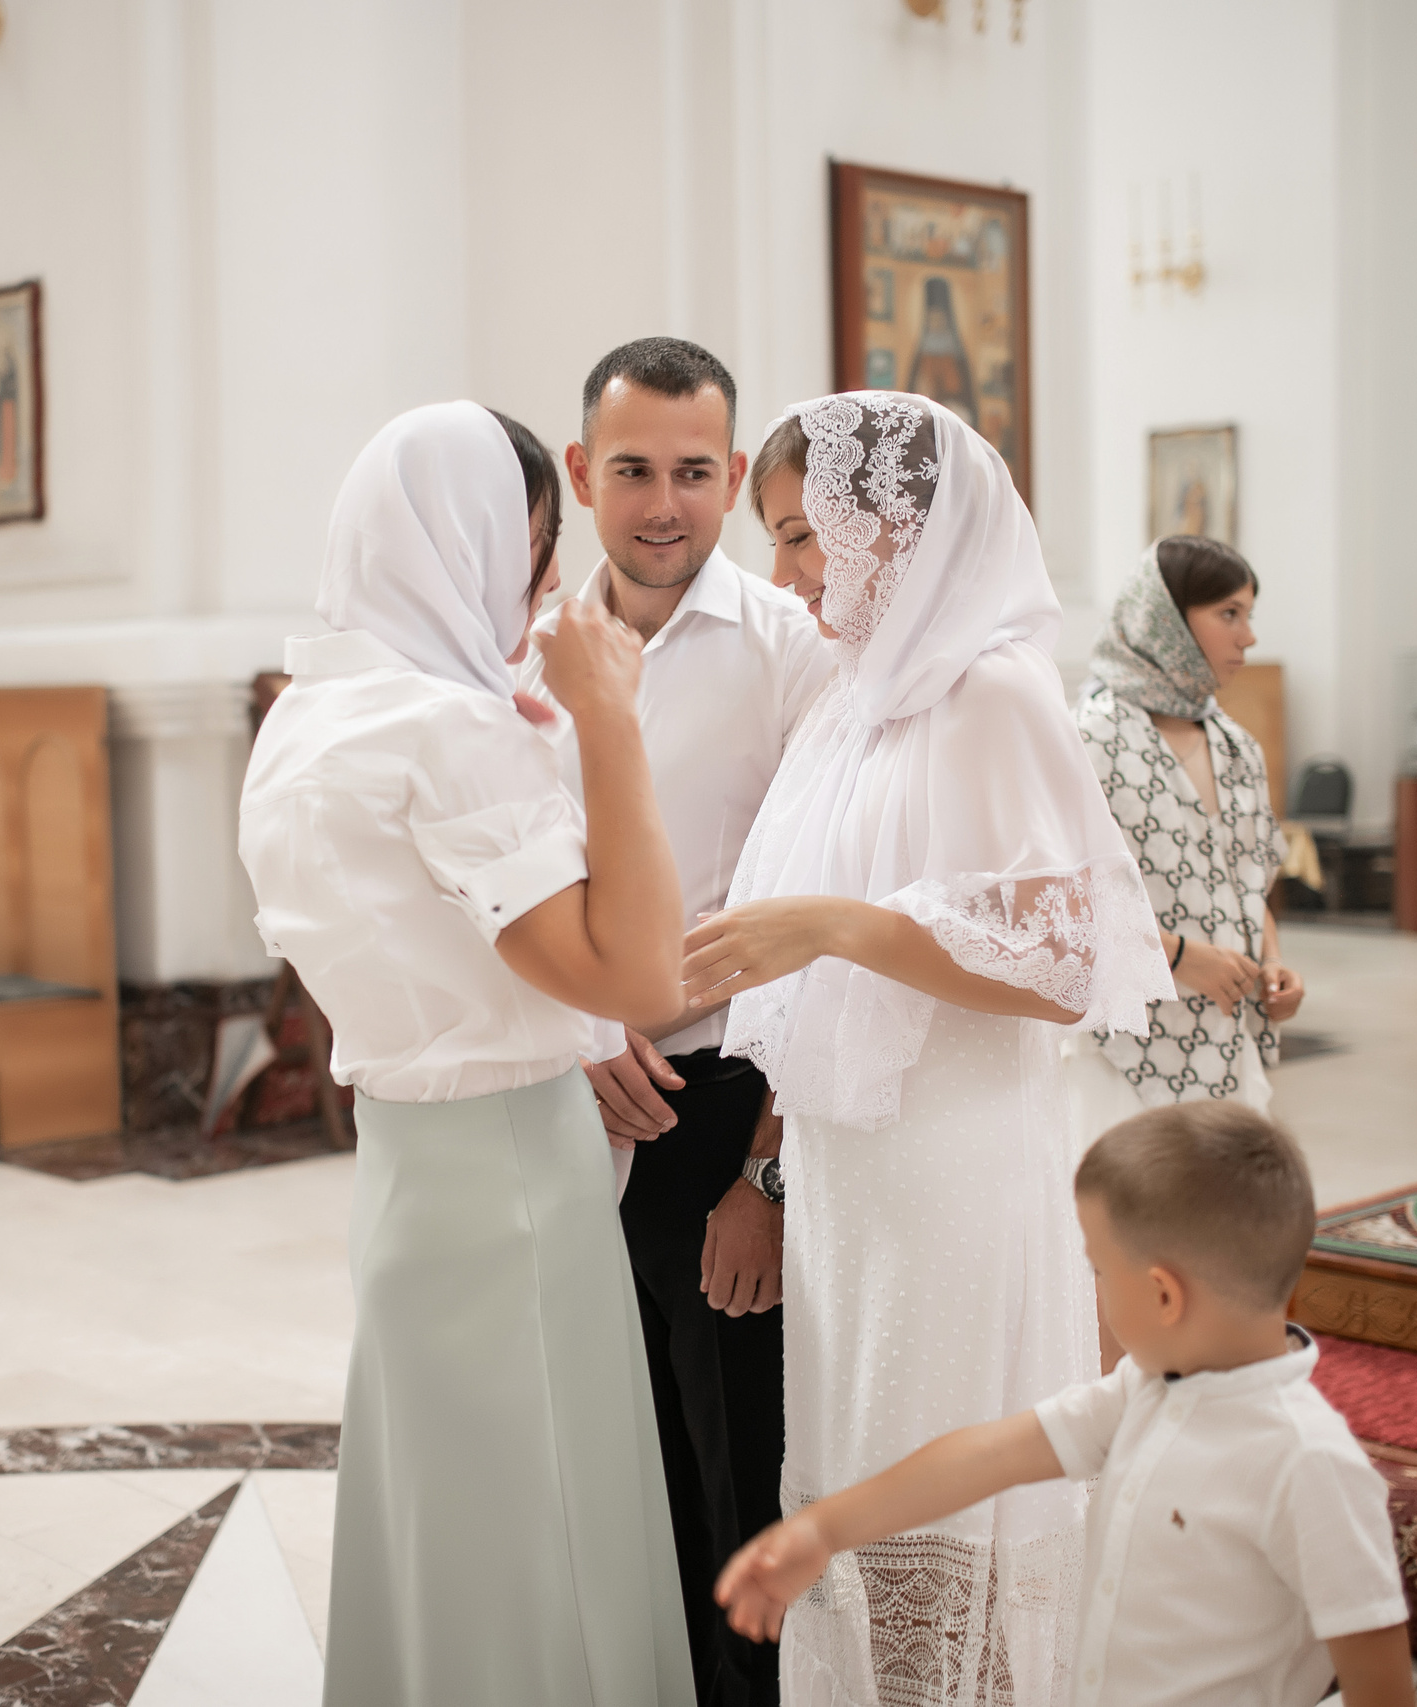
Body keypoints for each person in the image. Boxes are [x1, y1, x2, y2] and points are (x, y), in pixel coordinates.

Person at [684, 392, 1175, 1707]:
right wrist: (777, 1168)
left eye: (803, 538)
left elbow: (1064, 966)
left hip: (955, 1168)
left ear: (898, 529)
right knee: (858, 1484)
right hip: (859, 1174)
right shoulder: (860, 699)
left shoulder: (993, 691)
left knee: (940, 1496)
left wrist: (839, 922)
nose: (785, 577)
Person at [240, 400, 696, 1706]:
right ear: (466, 547)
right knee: (553, 1536)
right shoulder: (445, 730)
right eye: (530, 555)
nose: (542, 592)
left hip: (403, 1171)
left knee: (448, 1523)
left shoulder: (304, 717)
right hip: (512, 1184)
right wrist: (608, 718)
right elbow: (639, 974)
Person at [515, 336, 834, 1707]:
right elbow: (489, 880)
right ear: (583, 472)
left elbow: (828, 918)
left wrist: (764, 1159)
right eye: (633, 468)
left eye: (696, 471)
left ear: (731, 473)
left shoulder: (793, 653)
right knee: (603, 1449)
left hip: (727, 1094)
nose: (664, 504)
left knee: (734, 1465)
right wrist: (575, 1028)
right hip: (555, 1097)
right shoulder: (518, 651)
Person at [715, 1102, 1415, 1707]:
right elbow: (988, 1454)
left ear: (1164, 1294)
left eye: (1101, 1270)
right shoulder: (1145, 1392)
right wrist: (825, 1529)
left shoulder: (1310, 1464)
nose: (1094, 1290)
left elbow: (1380, 1683)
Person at [1067, 538, 1302, 1146]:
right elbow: (1061, 900)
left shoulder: (1237, 746)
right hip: (1120, 1052)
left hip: (1227, 1041)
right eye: (1229, 614)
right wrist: (1178, 956)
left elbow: (1251, 883)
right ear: (1164, 617)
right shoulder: (1087, 739)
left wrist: (1272, 964)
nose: (1247, 636)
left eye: (1248, 614)